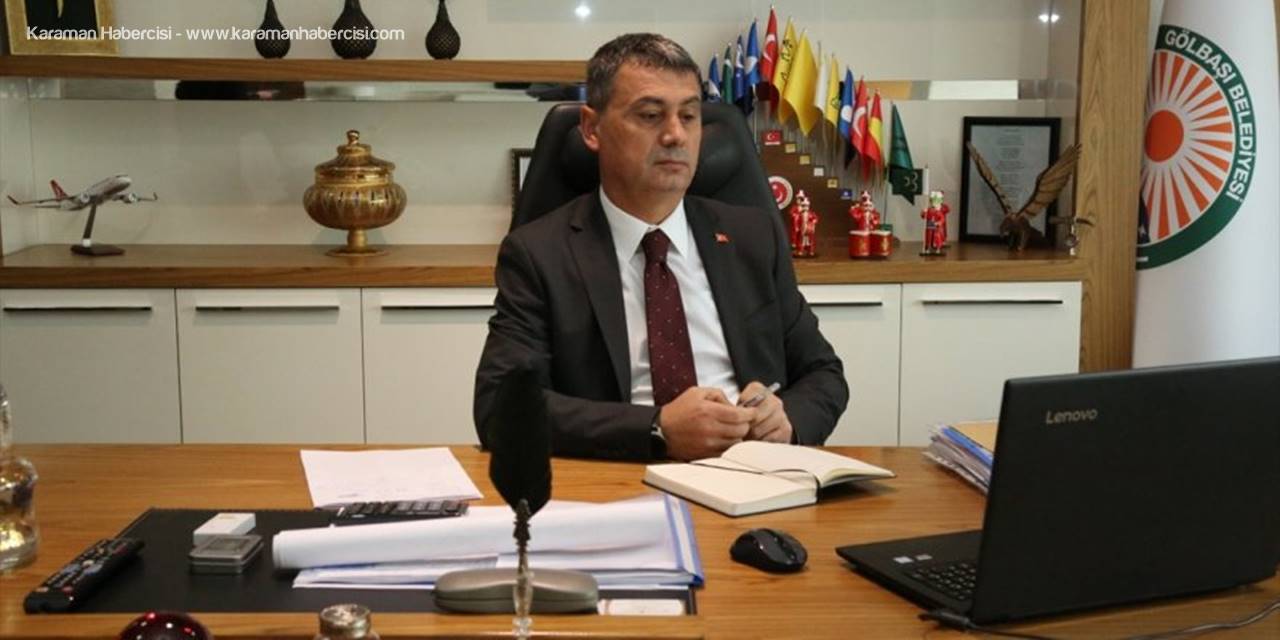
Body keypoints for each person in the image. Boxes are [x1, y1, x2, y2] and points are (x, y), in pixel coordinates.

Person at [474, 33, 848, 461]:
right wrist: (656, 428)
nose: (675, 135)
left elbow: (823, 373)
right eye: (651, 115)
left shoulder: (752, 237)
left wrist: (787, 420)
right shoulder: (540, 253)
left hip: (754, 473)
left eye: (689, 116)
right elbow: (501, 406)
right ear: (592, 129)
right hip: (622, 476)